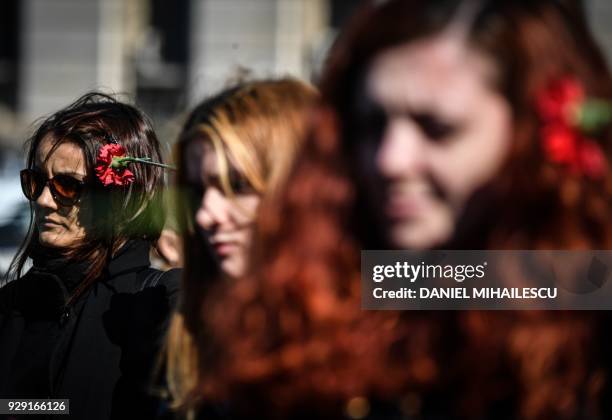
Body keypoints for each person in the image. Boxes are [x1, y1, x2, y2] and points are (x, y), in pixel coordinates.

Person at [187, 1, 612, 419]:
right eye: (373, 125)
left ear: (531, 136)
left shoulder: (583, 299)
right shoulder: (333, 289)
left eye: (437, 128)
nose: (390, 159)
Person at [0, 92, 180, 419]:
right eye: (35, 181)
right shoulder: (11, 305)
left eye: (67, 186)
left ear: (122, 198)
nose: (43, 200)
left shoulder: (160, 303)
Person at [163, 78, 318, 416]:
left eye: (238, 185)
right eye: (199, 190)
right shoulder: (202, 329)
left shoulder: (398, 290)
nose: (206, 215)